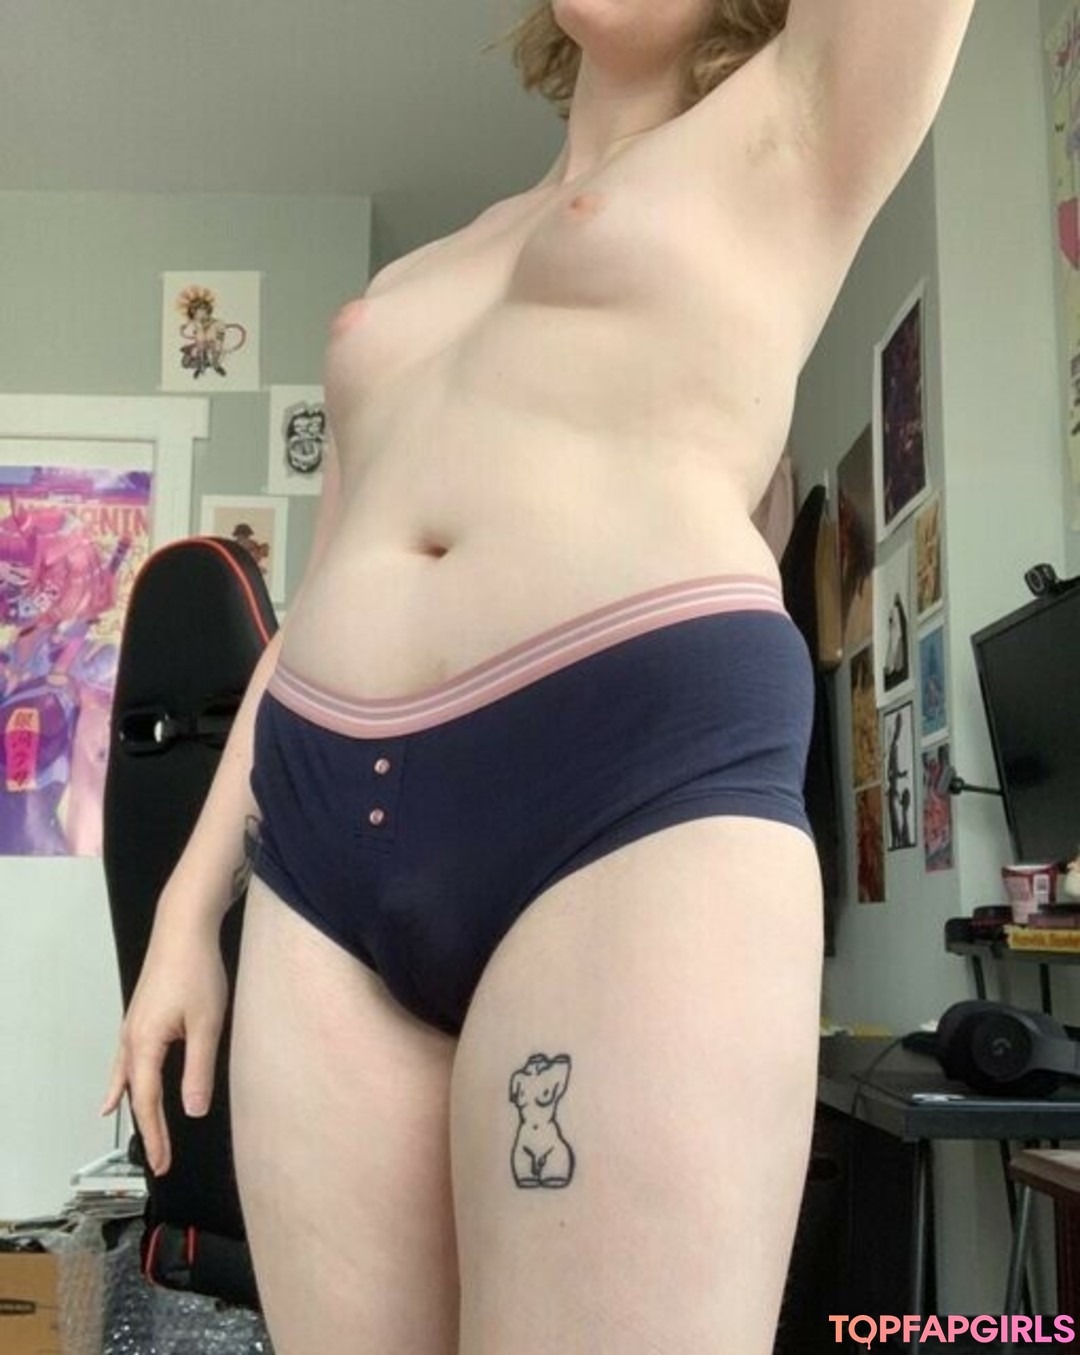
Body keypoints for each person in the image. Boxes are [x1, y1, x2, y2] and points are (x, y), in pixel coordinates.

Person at [102, 2, 976, 1350]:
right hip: (322, 855)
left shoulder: (798, 121)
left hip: (626, 795)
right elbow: (320, 602)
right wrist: (183, 906)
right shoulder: (431, 269)